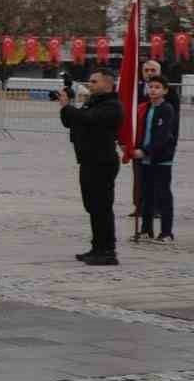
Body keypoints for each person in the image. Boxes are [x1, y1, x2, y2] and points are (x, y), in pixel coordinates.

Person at [59, 69, 125, 266]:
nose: (90, 84)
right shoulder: (93, 102)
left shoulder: (113, 106)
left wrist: (68, 108)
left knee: (101, 207)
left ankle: (108, 251)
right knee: (92, 207)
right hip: (88, 160)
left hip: (102, 162)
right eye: (90, 81)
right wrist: (66, 106)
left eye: (94, 81)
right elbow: (70, 122)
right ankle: (97, 247)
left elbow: (88, 120)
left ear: (108, 84)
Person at [134, 74, 178, 243]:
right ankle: (146, 229)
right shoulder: (145, 108)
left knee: (163, 195)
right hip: (144, 159)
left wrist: (145, 150)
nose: (153, 90)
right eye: (150, 86)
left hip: (161, 159)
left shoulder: (166, 109)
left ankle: (166, 232)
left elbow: (162, 136)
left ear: (165, 91)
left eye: (157, 87)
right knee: (146, 195)